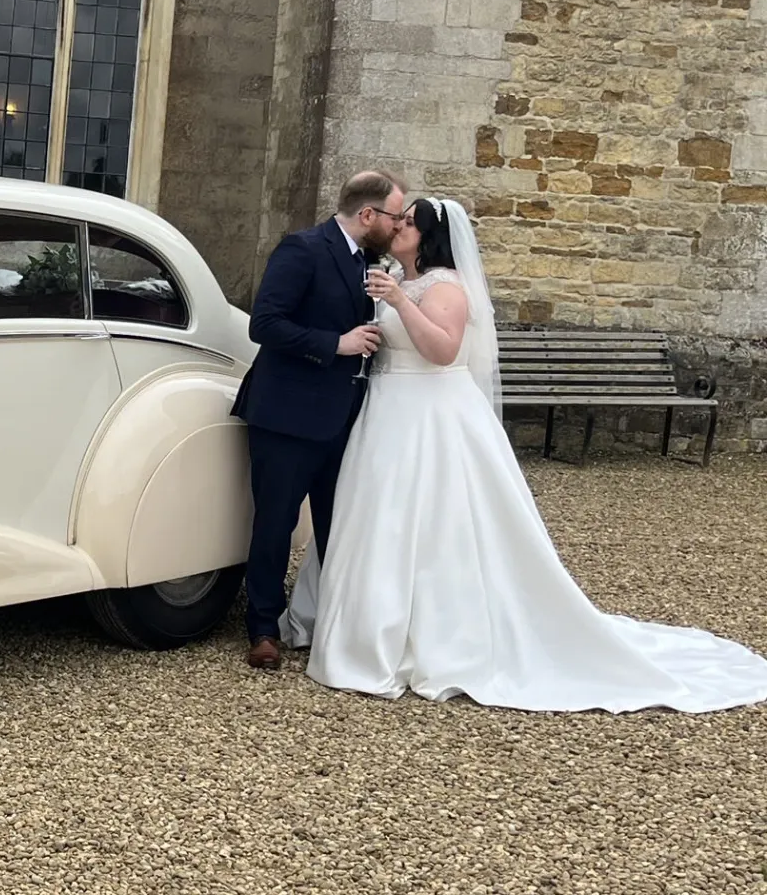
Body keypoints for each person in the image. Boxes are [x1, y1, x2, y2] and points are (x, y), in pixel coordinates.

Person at [284, 196, 767, 713]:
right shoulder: (393, 277)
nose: (397, 227)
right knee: (375, 514)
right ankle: (355, 621)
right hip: (386, 410)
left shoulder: (446, 285)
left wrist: (401, 303)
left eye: (407, 223)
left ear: (429, 237)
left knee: (423, 519)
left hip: (429, 415)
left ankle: (423, 635)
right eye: (397, 220)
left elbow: (443, 351)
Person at [231, 171, 406, 671]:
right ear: (368, 215)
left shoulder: (374, 265)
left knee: (339, 527)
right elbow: (263, 323)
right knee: (276, 524)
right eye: (394, 216)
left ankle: (335, 624)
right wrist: (336, 344)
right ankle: (263, 628)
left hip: (346, 420)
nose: (398, 226)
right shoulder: (303, 249)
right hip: (286, 416)